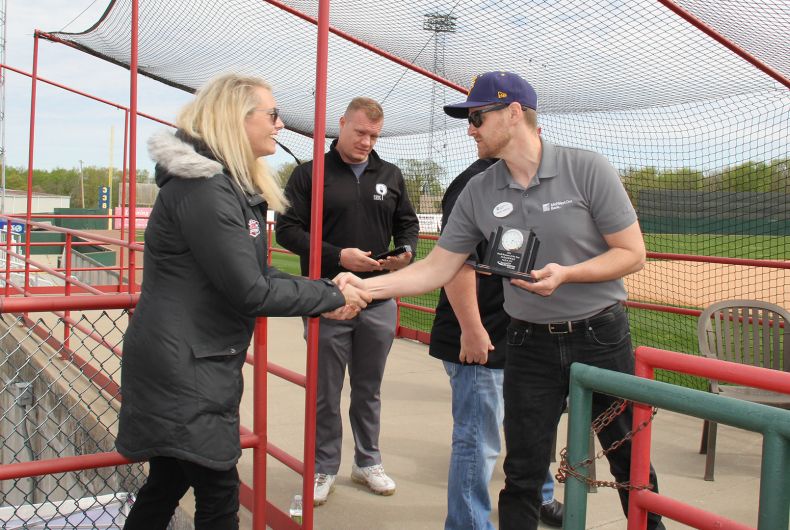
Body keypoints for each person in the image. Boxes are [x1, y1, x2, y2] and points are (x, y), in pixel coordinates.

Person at [338, 71, 665, 530]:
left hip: (600, 337)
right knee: (523, 471)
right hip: (528, 343)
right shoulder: (479, 189)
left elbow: (632, 254)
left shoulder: (586, 168)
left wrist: (567, 275)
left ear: (514, 114)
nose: (470, 128)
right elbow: (438, 268)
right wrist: (363, 287)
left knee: (628, 458)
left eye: (477, 117)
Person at [116, 74, 370, 530]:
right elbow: (250, 290)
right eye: (272, 115)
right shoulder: (204, 189)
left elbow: (251, 274)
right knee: (218, 495)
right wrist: (330, 295)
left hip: (194, 361)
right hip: (184, 369)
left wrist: (326, 291)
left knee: (168, 482)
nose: (279, 125)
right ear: (236, 119)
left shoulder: (222, 185)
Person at [275, 97, 419, 505]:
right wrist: (338, 255)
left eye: (374, 135)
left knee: (368, 389)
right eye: (360, 133)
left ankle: (367, 462)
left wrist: (405, 251)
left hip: (377, 296)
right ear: (342, 124)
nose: (367, 142)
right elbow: (286, 231)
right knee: (326, 390)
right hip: (327, 297)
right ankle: (324, 466)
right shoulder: (309, 174)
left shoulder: (389, 174)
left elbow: (406, 223)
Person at [430, 158, 563, 530]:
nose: (473, 128)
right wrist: (472, 330)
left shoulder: (542, 184)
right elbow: (456, 263)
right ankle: (468, 524)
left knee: (533, 429)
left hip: (527, 333)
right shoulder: (471, 184)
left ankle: (542, 496)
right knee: (478, 443)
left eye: (480, 118)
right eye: (472, 119)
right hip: (481, 334)